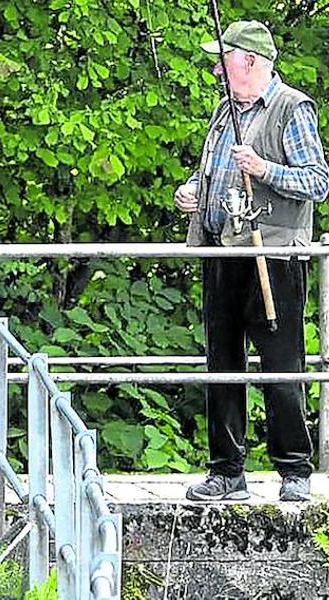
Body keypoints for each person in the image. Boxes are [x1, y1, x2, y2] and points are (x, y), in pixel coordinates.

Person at [175, 20, 329, 503]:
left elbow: (318, 182)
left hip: (273, 255)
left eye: (223, 59)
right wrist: (194, 192)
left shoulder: (292, 108)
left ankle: (294, 470)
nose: (218, 67)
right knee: (222, 362)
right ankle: (226, 470)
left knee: (280, 364)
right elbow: (216, 175)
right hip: (224, 249)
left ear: (248, 61)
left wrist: (264, 169)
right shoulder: (225, 110)